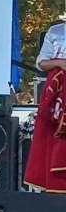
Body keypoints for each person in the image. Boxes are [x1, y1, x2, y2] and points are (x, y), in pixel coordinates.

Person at [23, 21, 66, 192]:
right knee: (54, 137)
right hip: (59, 92)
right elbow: (41, 63)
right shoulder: (56, 31)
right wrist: (60, 63)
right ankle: (56, 188)